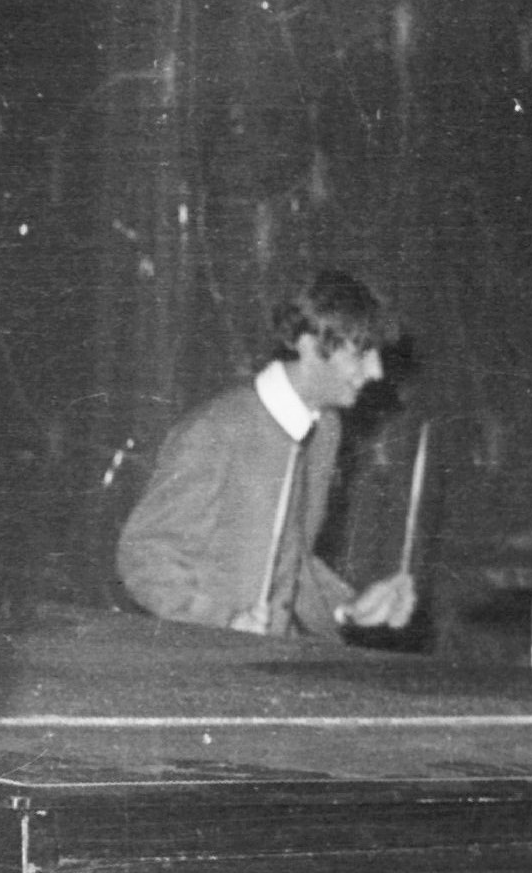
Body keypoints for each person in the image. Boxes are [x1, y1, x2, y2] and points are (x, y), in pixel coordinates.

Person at [117, 270, 416, 639]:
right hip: (206, 658)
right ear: (309, 344)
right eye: (361, 353)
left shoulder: (324, 430)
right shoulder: (217, 429)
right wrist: (222, 622)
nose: (377, 371)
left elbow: (293, 560)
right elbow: (144, 554)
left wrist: (349, 609)